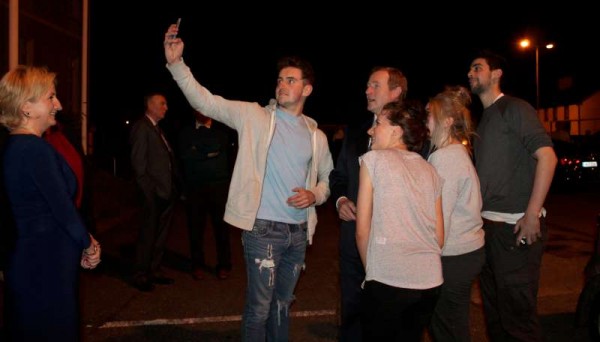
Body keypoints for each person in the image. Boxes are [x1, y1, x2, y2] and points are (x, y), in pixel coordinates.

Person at [164, 24, 333, 341]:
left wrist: (315, 195)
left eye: (291, 80)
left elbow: (327, 179)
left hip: (297, 233)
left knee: (283, 305)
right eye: (281, 79)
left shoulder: (316, 136)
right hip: (263, 229)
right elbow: (208, 102)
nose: (282, 84)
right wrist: (177, 65)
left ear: (307, 89)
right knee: (259, 308)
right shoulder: (254, 117)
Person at [0, 65, 101, 341]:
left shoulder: (14, 147)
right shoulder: (35, 150)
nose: (58, 104)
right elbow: (62, 209)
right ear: (27, 108)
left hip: (32, 259)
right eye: (50, 97)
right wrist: (88, 244)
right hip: (45, 265)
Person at [468, 50, 558, 341]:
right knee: (496, 318)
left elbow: (548, 157)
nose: (471, 73)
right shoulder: (484, 121)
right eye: (470, 69)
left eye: (477, 68)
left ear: (496, 74)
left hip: (514, 229)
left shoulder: (514, 108)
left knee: (518, 320)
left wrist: (532, 213)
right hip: (490, 230)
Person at [328, 66, 407, 341]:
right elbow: (338, 176)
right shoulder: (355, 131)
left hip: (396, 244)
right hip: (353, 239)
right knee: (353, 310)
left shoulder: (415, 136)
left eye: (375, 85)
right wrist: (340, 200)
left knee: (391, 317)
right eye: (367, 85)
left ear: (396, 92)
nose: (367, 90)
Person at [356, 101, 444, 341]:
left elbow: (362, 231)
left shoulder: (374, 160)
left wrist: (371, 272)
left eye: (378, 124)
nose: (371, 130)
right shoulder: (430, 170)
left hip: (388, 278)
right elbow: (439, 237)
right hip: (430, 281)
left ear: (396, 130)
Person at [425, 86, 485, 342]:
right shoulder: (456, 151)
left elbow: (440, 219)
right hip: (466, 252)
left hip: (454, 255)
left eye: (429, 115)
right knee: (451, 324)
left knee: (447, 328)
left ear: (447, 121)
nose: (425, 121)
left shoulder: (445, 158)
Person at [129, 92, 179, 292]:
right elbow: (138, 166)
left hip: (166, 193)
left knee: (160, 235)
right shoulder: (141, 128)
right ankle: (141, 274)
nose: (166, 107)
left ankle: (154, 270)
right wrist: (150, 193)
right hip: (154, 194)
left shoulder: (156, 129)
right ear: (150, 105)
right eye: (162, 103)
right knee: (148, 235)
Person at [178, 109, 234, 280]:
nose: (201, 111)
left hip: (219, 187)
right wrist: (207, 151)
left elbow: (227, 154)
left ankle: (224, 265)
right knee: (195, 229)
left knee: (222, 229)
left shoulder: (222, 131)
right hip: (195, 188)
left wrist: (197, 150)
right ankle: (197, 265)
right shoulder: (185, 132)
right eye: (197, 108)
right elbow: (183, 157)